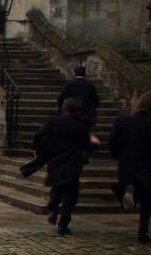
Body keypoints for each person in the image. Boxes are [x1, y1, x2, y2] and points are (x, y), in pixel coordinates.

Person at [107, 93, 151, 244]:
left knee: (127, 187)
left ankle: (127, 190)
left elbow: (112, 142)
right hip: (147, 165)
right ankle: (143, 231)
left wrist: (118, 155)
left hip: (127, 165)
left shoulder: (123, 122)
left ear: (138, 105)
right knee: (147, 200)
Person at [20, 98, 98, 235]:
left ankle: (53, 209)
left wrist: (37, 150)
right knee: (70, 195)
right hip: (72, 163)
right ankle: (63, 223)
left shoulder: (53, 121)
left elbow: (38, 135)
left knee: (57, 187)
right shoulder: (80, 126)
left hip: (55, 160)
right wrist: (95, 142)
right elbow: (87, 146)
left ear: (63, 108)